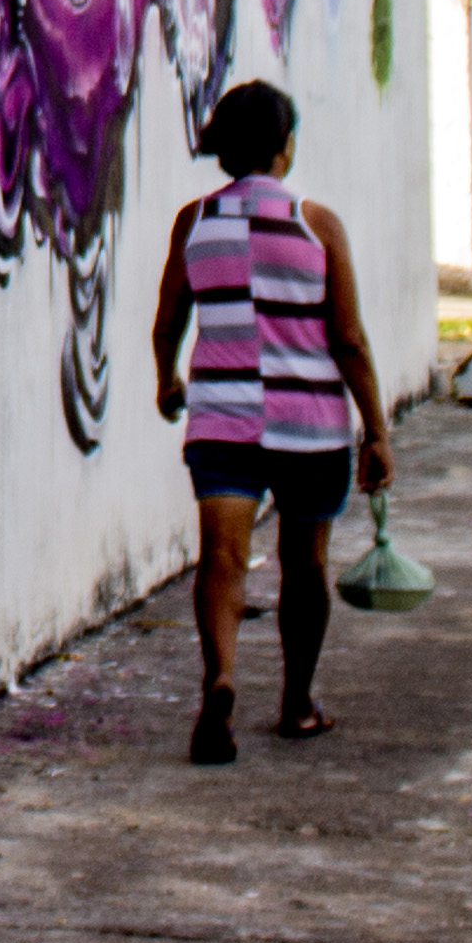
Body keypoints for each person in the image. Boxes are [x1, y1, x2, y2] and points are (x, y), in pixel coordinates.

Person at [150, 79, 394, 763]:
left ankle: (221, 680)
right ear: (286, 146)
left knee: (222, 559)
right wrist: (376, 430)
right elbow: (348, 338)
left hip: (222, 419)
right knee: (304, 563)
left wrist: (167, 378)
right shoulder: (317, 224)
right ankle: (297, 703)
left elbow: (168, 320)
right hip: (309, 423)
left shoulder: (194, 222)